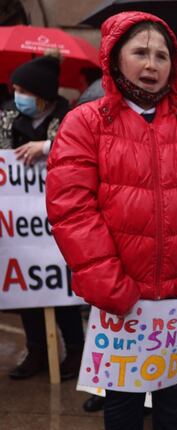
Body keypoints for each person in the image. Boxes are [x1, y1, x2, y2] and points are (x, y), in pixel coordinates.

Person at [45, 12, 177, 430]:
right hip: (122, 304)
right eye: (140, 53)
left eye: (162, 55)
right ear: (115, 58)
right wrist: (113, 288)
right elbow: (72, 210)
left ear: (175, 65)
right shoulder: (85, 123)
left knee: (173, 405)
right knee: (123, 406)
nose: (152, 65)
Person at [1, 54, 84, 381]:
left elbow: (84, 148)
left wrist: (48, 146)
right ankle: (37, 350)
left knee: (62, 290)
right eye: (15, 88)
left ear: (43, 94)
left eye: (23, 89)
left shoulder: (71, 117)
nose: (16, 95)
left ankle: (75, 352)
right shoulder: (8, 115)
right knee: (27, 290)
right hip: (22, 226)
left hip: (59, 222)